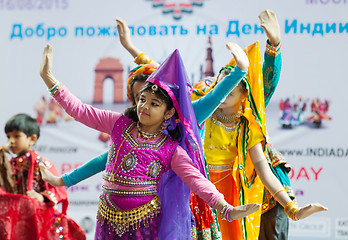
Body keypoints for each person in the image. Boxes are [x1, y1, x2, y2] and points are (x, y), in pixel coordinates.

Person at [39, 43, 260, 239]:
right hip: (107, 221)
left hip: (144, 226)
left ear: (168, 112)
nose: (144, 106)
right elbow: (80, 111)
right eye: (142, 99)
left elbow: (197, 180)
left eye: (154, 104)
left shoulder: (170, 149)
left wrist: (226, 208)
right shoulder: (120, 124)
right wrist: (50, 80)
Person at [0, 113, 85, 240]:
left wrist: (41, 196)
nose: (10, 141)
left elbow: (59, 190)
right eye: (8, 137)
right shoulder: (7, 166)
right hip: (13, 221)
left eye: (16, 136)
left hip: (37, 221)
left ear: (32, 139)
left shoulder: (42, 163)